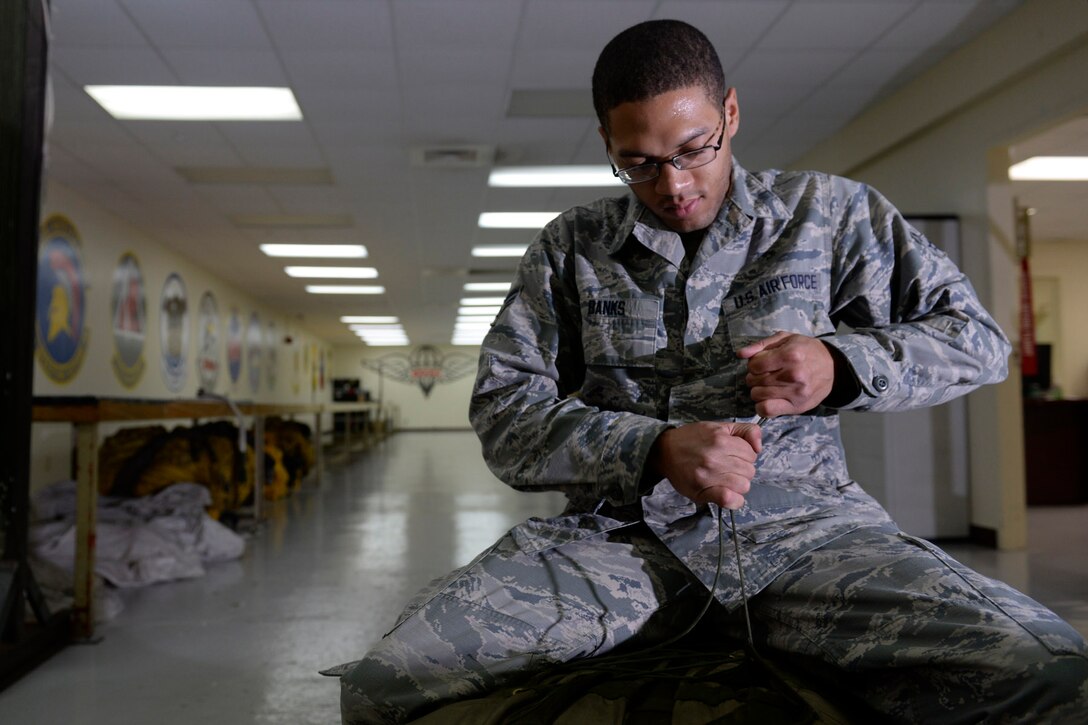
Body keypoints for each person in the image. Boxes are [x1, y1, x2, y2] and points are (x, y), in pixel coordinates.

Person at [332, 19, 1088, 724]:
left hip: (810, 538)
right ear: (608, 142)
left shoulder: (828, 214)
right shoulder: (572, 247)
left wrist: (843, 363)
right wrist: (651, 448)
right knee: (388, 683)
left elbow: (976, 340)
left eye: (693, 148)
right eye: (639, 162)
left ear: (729, 112)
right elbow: (503, 413)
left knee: (1052, 671)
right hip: (614, 543)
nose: (674, 184)